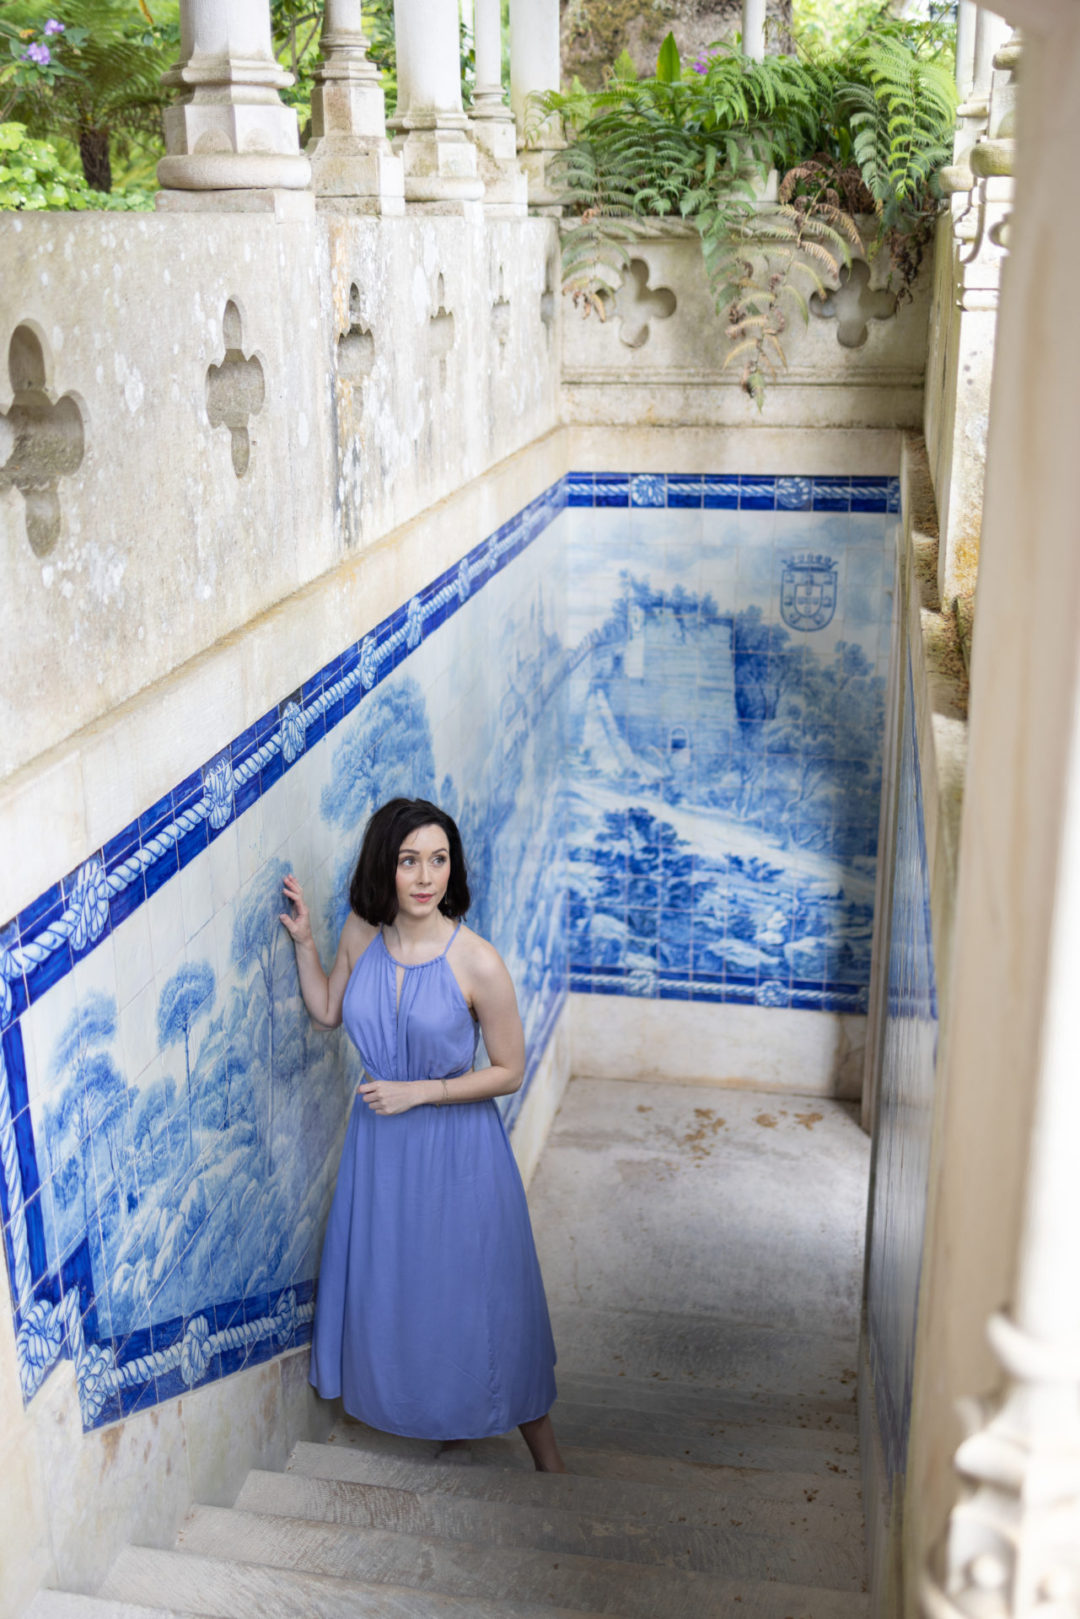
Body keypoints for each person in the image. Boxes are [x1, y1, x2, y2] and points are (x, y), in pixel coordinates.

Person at [279, 796, 564, 1472]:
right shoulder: (359, 933)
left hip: (459, 1153)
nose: (425, 876)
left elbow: (511, 1069)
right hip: (382, 1152)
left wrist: (424, 1091)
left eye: (438, 859)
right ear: (387, 865)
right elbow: (326, 1010)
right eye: (410, 860)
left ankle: (550, 1461)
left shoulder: (478, 962)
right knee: (414, 1289)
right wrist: (306, 944)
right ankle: (452, 1422)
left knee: (484, 1294)